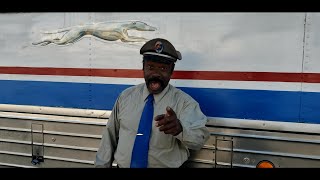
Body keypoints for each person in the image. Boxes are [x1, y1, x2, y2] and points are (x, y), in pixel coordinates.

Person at [95, 38, 209, 168]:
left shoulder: (185, 103)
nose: (156, 73)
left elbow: (200, 139)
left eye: (163, 68)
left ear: (171, 71)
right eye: (150, 67)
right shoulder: (126, 97)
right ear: (143, 68)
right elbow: (109, 137)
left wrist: (180, 130)